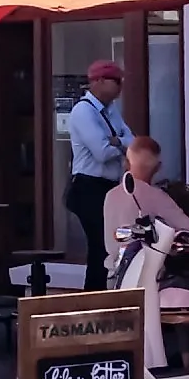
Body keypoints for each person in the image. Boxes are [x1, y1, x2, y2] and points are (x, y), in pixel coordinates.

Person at [104, 135, 189, 294]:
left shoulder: (110, 195)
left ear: (126, 163)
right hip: (144, 276)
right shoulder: (156, 197)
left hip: (113, 276)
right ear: (158, 167)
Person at [64, 61, 131, 288]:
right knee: (100, 246)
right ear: (99, 81)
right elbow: (101, 152)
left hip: (108, 186)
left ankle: (100, 294)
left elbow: (133, 142)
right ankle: (93, 296)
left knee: (107, 245)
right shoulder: (83, 111)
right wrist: (119, 145)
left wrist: (118, 141)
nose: (120, 87)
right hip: (88, 186)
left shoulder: (111, 110)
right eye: (116, 81)